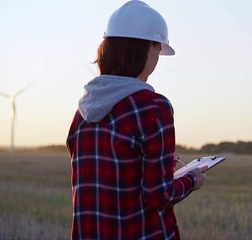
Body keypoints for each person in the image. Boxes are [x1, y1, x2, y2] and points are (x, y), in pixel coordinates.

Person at [66, 1, 207, 239]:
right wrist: (191, 179)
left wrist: (159, 165)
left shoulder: (82, 113)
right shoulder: (153, 107)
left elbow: (111, 171)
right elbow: (157, 195)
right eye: (157, 48)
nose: (158, 58)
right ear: (147, 48)